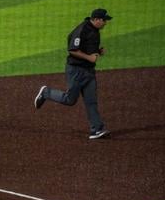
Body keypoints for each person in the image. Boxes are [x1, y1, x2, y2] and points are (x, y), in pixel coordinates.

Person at [34, 8, 113, 140]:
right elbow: (72, 50)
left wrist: (98, 52)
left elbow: (88, 49)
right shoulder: (82, 30)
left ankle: (97, 130)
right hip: (76, 70)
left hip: (89, 72)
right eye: (104, 20)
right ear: (96, 19)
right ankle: (46, 92)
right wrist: (90, 58)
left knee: (91, 102)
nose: (106, 23)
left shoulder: (95, 31)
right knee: (70, 100)